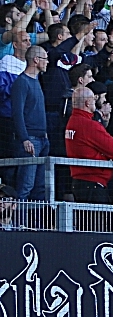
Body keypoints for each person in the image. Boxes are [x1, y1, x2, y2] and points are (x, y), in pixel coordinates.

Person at [64, 86, 113, 203]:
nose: (96, 100)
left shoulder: (72, 122)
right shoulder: (89, 125)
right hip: (93, 184)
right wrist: (105, 157)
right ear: (87, 103)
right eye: (94, 98)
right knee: (96, 221)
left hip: (78, 182)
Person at [12, 45, 49, 200]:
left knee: (40, 187)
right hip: (31, 139)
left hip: (42, 138)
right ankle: (20, 223)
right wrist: (25, 138)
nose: (47, 62)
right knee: (26, 185)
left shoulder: (36, 81)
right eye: (45, 59)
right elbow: (17, 113)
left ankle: (34, 223)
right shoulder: (22, 82)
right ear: (36, 60)